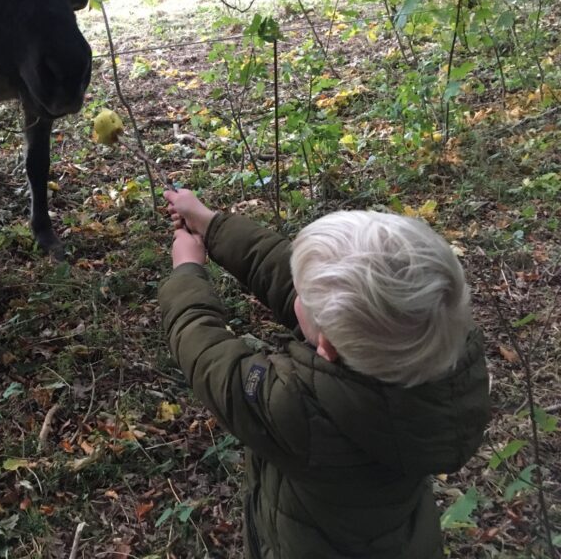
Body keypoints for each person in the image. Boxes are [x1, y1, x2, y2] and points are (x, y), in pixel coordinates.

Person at [160, 189, 490, 559]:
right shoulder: (439, 367)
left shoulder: (302, 411)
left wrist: (187, 270)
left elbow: (208, 356)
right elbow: (291, 274)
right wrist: (211, 223)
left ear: (328, 347)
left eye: (303, 295)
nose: (295, 291)